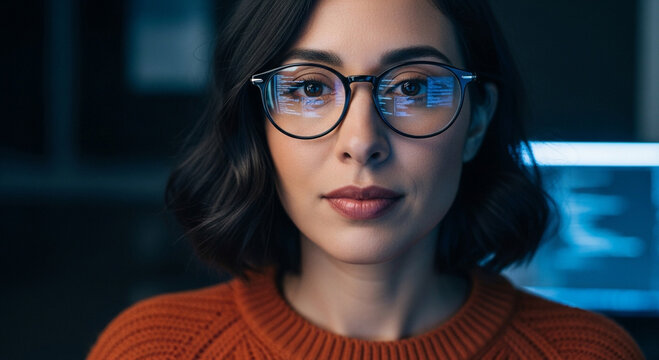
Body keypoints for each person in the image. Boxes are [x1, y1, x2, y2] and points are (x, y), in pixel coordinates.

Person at [87, 0, 645, 358]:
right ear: (258, 122)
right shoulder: (155, 349)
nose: (361, 142)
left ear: (475, 120)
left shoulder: (587, 352)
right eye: (309, 88)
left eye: (413, 88)